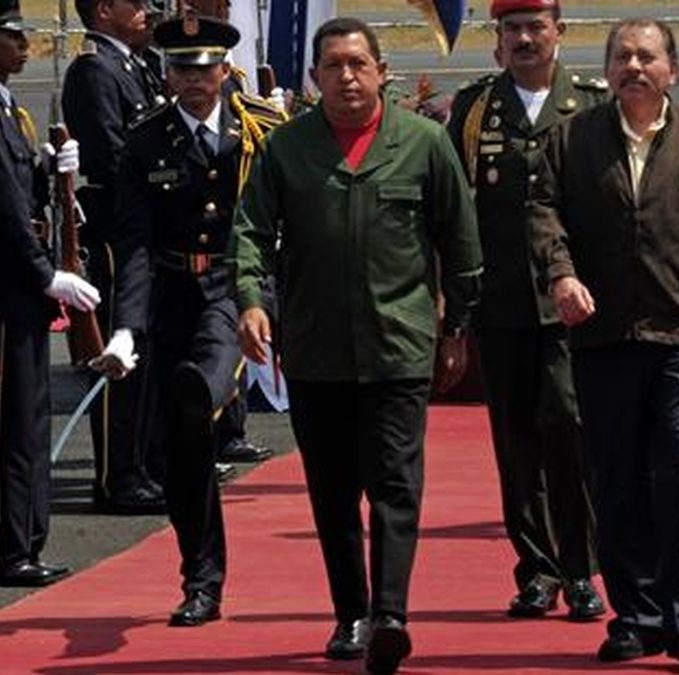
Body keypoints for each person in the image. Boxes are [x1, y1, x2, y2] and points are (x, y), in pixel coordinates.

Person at [233, 17, 481, 675]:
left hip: (399, 345)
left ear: (381, 72)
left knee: (396, 483)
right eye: (332, 66)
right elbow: (251, 231)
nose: (346, 76)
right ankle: (350, 610)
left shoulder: (424, 143)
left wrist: (456, 330)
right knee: (333, 489)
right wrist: (252, 301)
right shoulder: (288, 149)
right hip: (316, 350)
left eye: (357, 64)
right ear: (314, 78)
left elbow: (461, 245)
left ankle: (389, 614)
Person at [530, 18, 679, 663]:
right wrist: (562, 274)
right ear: (607, 69)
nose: (634, 66)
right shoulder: (572, 139)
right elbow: (543, 212)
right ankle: (635, 615)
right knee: (617, 479)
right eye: (622, 56)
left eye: (647, 56)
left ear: (673, 69)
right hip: (603, 334)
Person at [95, 12, 285, 628]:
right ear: (166, 72)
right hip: (173, 293)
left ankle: (202, 390)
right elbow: (135, 243)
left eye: (205, 67)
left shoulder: (260, 132)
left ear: (224, 70)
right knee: (182, 451)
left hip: (236, 288)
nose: (195, 79)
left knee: (199, 380)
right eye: (182, 67)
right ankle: (201, 579)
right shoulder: (145, 141)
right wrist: (125, 328)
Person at [447, 0, 604, 622]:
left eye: (535, 27)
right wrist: (455, 309)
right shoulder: (475, 108)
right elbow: (457, 213)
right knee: (515, 443)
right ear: (498, 39)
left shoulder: (591, 104)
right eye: (512, 28)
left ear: (559, 33)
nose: (523, 38)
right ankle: (536, 569)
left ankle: (582, 567)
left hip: (573, 303)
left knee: (570, 430)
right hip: (502, 303)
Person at [0, 0, 99, 588]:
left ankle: (25, 542)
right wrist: (43, 273)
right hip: (7, 286)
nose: (25, 46)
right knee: (11, 425)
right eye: (12, 37)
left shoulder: (5, 106)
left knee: (30, 422)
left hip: (22, 285)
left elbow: (21, 188)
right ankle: (7, 551)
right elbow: (3, 209)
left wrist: (53, 169)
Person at [61, 0, 166, 515]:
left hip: (142, 220)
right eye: (137, 2)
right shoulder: (94, 70)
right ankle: (117, 475)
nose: (148, 10)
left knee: (143, 351)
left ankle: (143, 461)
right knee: (116, 348)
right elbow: (112, 152)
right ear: (104, 10)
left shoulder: (134, 64)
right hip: (114, 223)